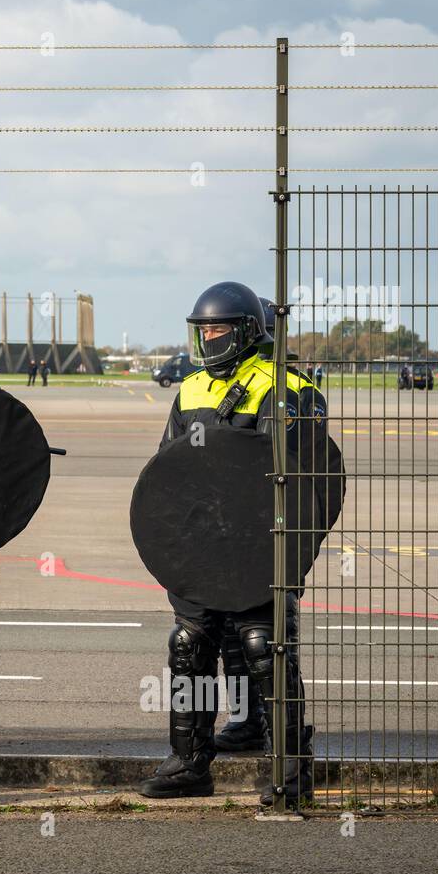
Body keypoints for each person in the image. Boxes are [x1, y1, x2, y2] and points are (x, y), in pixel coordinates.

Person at [139, 281, 323, 804]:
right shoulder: (192, 389)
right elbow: (167, 471)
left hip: (258, 548)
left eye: (218, 328)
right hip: (200, 549)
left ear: (246, 332)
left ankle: (291, 772)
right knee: (188, 646)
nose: (208, 337)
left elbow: (302, 479)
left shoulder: (283, 388)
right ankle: (189, 763)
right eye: (202, 329)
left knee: (265, 650)